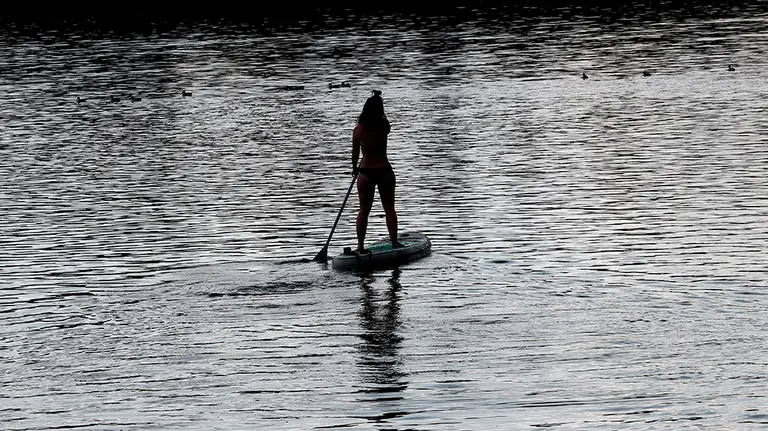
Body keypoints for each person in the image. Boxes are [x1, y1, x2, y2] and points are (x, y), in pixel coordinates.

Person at [352, 90, 403, 254]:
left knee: (363, 210)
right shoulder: (384, 126)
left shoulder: (358, 130)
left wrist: (355, 169)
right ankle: (394, 242)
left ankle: (360, 246)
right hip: (384, 171)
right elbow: (383, 129)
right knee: (389, 208)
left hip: (365, 172)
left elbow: (355, 155)